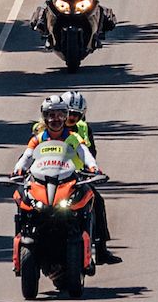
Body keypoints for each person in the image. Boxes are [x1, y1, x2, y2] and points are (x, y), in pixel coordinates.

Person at [12, 92, 117, 263]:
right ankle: (24, 235)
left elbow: (85, 154)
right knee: (22, 196)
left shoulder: (73, 137)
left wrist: (94, 168)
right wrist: (17, 171)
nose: (56, 119)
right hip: (42, 180)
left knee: (94, 200)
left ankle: (100, 248)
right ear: (44, 118)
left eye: (60, 115)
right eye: (51, 115)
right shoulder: (38, 138)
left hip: (71, 178)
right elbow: (26, 156)